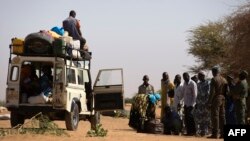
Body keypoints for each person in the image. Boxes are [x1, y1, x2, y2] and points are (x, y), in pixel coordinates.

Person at [207, 66, 227, 139]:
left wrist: (209, 102)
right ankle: (223, 133)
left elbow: (212, 92)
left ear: (213, 72)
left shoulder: (214, 79)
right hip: (223, 98)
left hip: (216, 98)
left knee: (215, 116)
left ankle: (215, 134)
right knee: (222, 116)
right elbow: (226, 91)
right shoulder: (224, 79)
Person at [193, 71, 210, 136]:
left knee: (206, 118)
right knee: (199, 117)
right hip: (199, 103)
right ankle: (200, 131)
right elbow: (198, 94)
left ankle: (205, 131)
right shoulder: (198, 84)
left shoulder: (208, 83)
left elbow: (208, 93)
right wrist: (196, 103)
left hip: (205, 103)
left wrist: (208, 103)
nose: (198, 77)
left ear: (203, 76)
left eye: (200, 76)